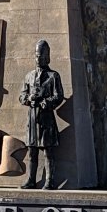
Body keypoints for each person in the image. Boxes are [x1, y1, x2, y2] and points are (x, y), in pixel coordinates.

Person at [18, 39, 64, 189]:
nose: (38, 59)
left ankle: (50, 181)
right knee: (32, 151)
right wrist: (28, 98)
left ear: (47, 57)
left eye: (41, 56)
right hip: (32, 118)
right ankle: (31, 180)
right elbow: (21, 96)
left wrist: (46, 102)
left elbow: (59, 96)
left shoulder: (53, 76)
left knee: (48, 151)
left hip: (46, 118)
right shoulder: (29, 76)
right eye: (36, 56)